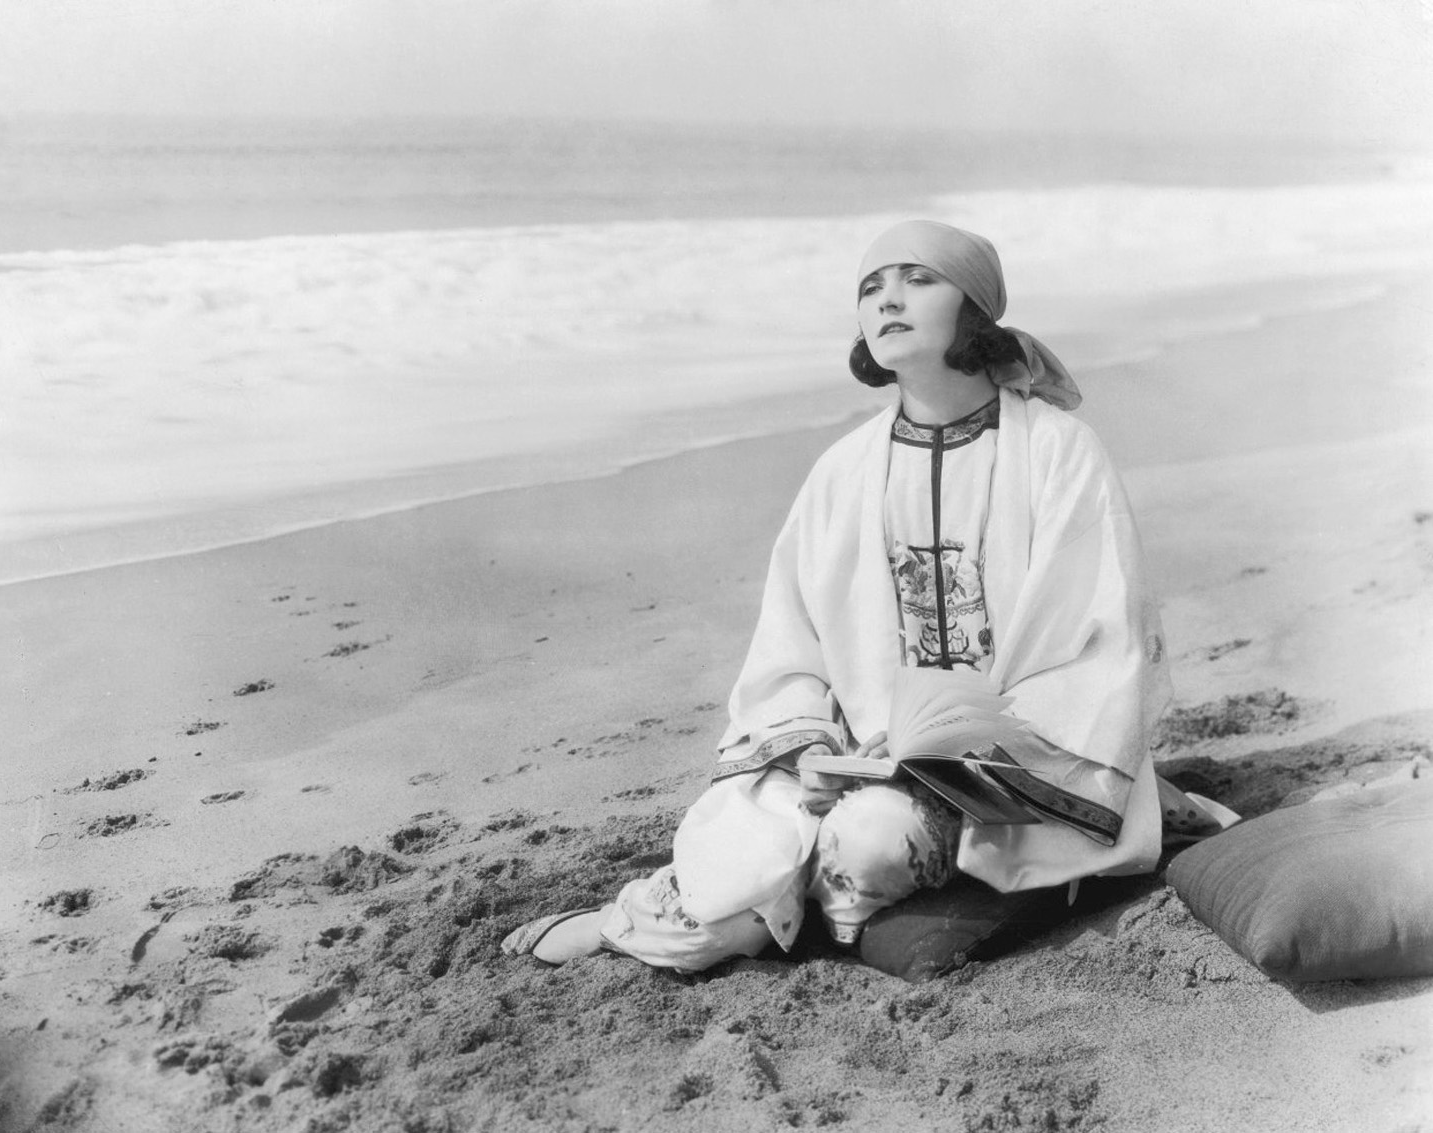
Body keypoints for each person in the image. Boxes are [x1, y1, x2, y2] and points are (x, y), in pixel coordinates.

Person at [502, 219, 1207, 971]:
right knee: (732, 893)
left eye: (918, 279)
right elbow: (789, 649)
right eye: (871, 288)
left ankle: (804, 900)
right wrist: (812, 747)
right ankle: (640, 918)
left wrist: (959, 745)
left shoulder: (1058, 451)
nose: (888, 300)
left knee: (868, 845)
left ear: (973, 308)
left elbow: (1101, 642)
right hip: (852, 756)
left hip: (1010, 767)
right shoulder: (842, 471)